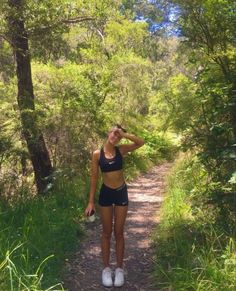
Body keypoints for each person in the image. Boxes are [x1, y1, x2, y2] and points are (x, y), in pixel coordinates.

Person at [85, 124, 145, 287]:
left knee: (119, 233)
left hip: (120, 193)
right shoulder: (97, 154)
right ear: (108, 133)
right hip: (106, 193)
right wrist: (90, 201)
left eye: (117, 135)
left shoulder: (121, 150)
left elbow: (141, 142)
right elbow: (94, 178)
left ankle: (119, 269)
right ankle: (106, 269)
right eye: (113, 132)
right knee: (106, 232)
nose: (115, 136)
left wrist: (124, 135)